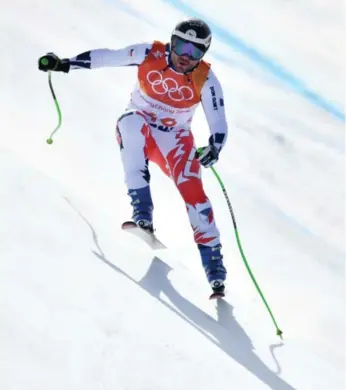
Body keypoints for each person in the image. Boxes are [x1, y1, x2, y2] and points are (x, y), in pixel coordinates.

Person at [38, 18, 228, 295]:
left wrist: (214, 147)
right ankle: (143, 214)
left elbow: (219, 121)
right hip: (140, 127)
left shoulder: (206, 79)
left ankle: (215, 270)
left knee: (195, 195)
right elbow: (108, 57)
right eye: (182, 46)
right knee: (130, 124)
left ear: (203, 55)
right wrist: (65, 63)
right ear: (172, 42)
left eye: (196, 51)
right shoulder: (149, 53)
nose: (186, 56)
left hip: (175, 141)